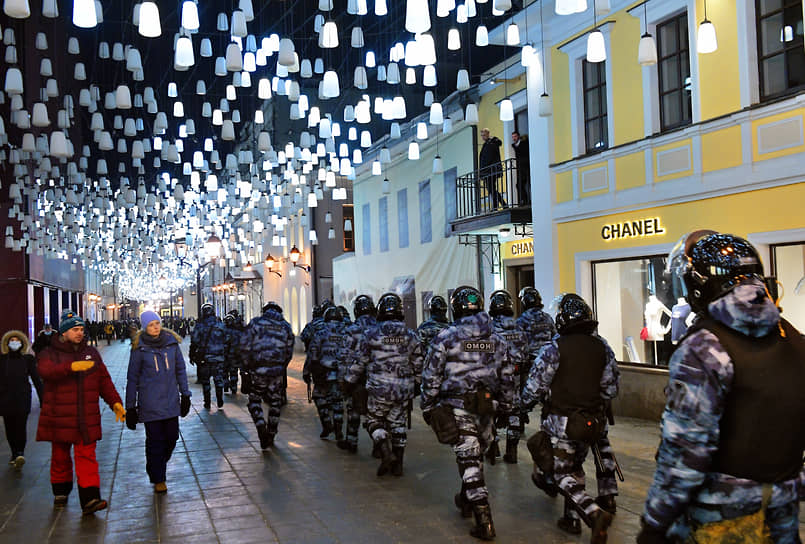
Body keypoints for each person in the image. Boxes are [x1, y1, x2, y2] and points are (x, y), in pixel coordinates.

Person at [637, 232, 805, 544]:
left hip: (721, 513)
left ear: (700, 285)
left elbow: (686, 451)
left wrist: (655, 522)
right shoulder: (792, 336)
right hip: (783, 505)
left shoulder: (703, 347)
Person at [521, 293, 619, 544]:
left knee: (560, 473)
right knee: (575, 467)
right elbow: (610, 389)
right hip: (593, 423)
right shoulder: (603, 347)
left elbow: (535, 386)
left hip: (561, 423)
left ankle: (592, 513)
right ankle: (570, 519)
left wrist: (522, 405)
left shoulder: (554, 348)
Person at [421, 286, 515, 541]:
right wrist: (506, 407)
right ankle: (465, 499)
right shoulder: (497, 338)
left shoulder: (446, 337)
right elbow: (507, 377)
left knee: (470, 461)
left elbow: (431, 374)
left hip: (458, 406)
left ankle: (484, 520)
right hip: (487, 408)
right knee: (474, 457)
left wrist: (427, 406)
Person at [36, 309, 125, 515]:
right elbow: (45, 371)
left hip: (86, 417)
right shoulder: (50, 353)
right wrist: (71, 366)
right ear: (64, 332)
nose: (80, 333)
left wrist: (115, 403)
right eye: (75, 329)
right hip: (60, 416)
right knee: (60, 456)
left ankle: (90, 498)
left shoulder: (91, 353)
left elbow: (103, 380)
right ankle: (61, 490)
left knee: (87, 456)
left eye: (81, 329)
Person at [344, 293, 423, 476]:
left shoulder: (370, 334)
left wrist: (349, 381)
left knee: (374, 421)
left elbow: (360, 362)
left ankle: (386, 453)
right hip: (403, 390)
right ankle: (398, 464)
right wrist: (418, 384)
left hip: (378, 389)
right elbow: (418, 362)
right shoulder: (411, 335)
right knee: (398, 424)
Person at [125, 311, 191, 494]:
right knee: (155, 441)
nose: (155, 327)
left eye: (157, 323)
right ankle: (158, 477)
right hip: (149, 403)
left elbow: (180, 370)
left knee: (172, 437)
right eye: (151, 324)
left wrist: (185, 395)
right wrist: (130, 406)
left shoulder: (171, 344)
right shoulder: (139, 348)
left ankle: (158, 463)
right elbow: (132, 378)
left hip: (170, 401)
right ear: (144, 327)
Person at [239, 302, 295, 450]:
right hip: (277, 371)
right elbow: (289, 351)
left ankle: (260, 426)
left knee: (254, 400)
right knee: (275, 402)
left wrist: (247, 365)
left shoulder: (255, 323)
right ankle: (271, 433)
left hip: (258, 370)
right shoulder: (286, 326)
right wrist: (282, 366)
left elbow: (244, 346)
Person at [488, 290, 529, 465]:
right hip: (516, 376)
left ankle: (493, 447)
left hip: (494, 376)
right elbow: (526, 354)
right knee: (514, 411)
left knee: (490, 411)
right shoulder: (519, 328)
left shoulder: (487, 328)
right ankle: (511, 451)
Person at [304, 306, 348, 440]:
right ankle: (339, 430)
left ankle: (327, 423)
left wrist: (307, 371)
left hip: (323, 373)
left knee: (319, 397)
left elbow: (313, 354)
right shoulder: (347, 332)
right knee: (338, 402)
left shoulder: (320, 333)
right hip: (342, 374)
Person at [0, 330, 43, 468]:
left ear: (22, 343)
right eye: (11, 340)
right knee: (10, 428)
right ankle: (14, 452)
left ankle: (20, 453)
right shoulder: (2, 360)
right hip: (5, 398)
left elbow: (36, 379)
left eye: (17, 340)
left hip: (22, 397)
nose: (14, 342)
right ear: (7, 343)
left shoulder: (28, 359)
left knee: (21, 426)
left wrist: (43, 398)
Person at [340, 294, 377, 453]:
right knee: (377, 414)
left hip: (356, 377)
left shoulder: (351, 330)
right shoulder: (380, 327)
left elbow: (344, 356)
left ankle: (352, 442)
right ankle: (378, 445)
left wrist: (345, 379)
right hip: (377, 378)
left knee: (353, 410)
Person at [190, 303, 228, 409]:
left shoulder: (200, 326)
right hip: (218, 357)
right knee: (218, 379)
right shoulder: (220, 325)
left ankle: (207, 402)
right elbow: (227, 339)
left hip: (205, 358)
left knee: (206, 381)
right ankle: (220, 399)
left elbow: (195, 340)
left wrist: (192, 354)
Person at [517, 287, 557, 365]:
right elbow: (555, 337)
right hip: (549, 359)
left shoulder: (521, 320)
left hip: (532, 362)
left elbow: (519, 344)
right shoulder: (547, 317)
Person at [479, 128, 505, 209]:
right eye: (481, 135)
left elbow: (488, 158)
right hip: (488, 170)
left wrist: (483, 171)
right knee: (491, 189)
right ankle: (498, 205)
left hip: (490, 170)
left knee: (491, 188)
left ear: (487, 134)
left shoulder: (492, 143)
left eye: (484, 135)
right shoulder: (487, 144)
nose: (482, 137)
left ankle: (500, 204)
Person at [223, 312, 244, 395]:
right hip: (234, 356)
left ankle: (225, 384)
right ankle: (233, 386)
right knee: (233, 371)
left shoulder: (222, 332)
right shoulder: (238, 333)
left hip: (225, 355)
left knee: (224, 371)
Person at [511, 131, 530, 205]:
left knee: (528, 183)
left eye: (515, 136)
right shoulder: (515, 145)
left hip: (526, 166)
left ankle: (528, 200)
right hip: (520, 168)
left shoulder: (524, 143)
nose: (513, 138)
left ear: (518, 136)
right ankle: (525, 200)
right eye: (513, 137)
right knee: (519, 185)